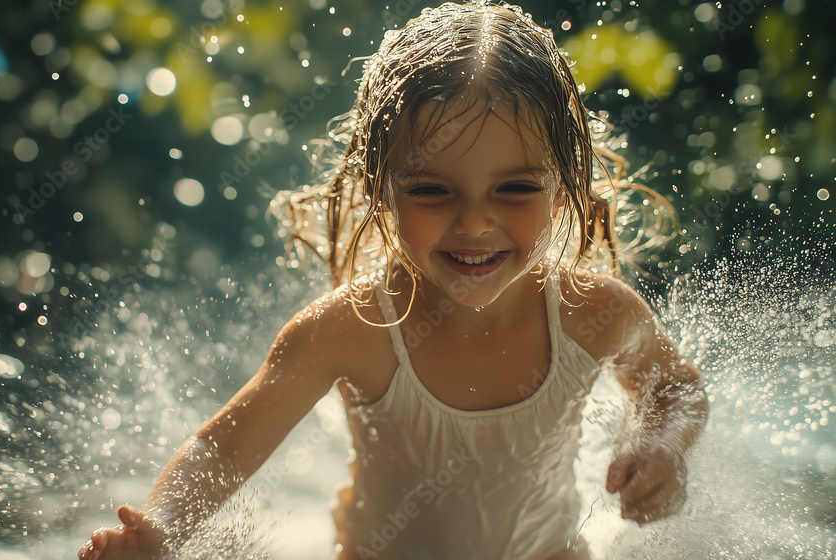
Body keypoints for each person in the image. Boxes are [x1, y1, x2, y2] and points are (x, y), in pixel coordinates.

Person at [78, 2, 708, 559]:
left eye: (516, 188)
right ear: (378, 189)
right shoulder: (348, 330)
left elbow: (674, 389)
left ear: (566, 187)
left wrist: (662, 444)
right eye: (431, 190)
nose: (475, 222)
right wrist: (163, 528)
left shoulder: (592, 314)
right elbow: (222, 451)